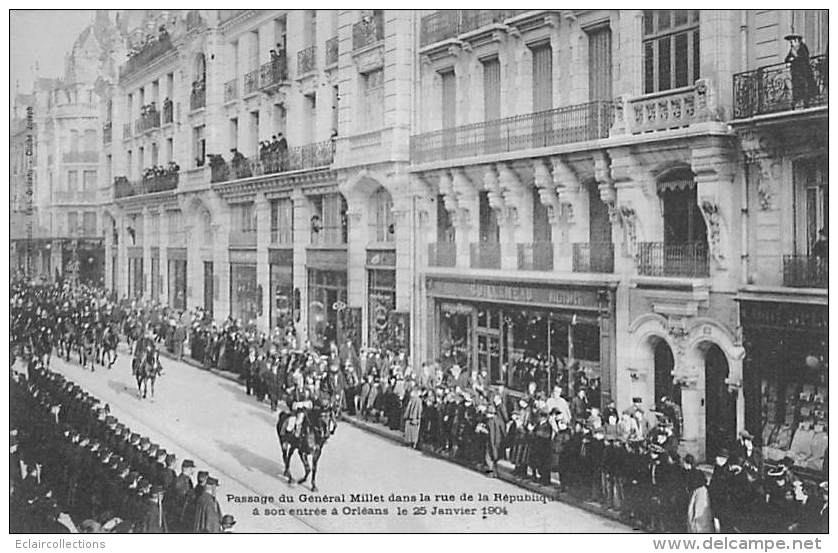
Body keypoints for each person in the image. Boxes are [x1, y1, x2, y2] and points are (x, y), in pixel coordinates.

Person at [785, 33, 818, 105]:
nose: (791, 44)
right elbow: (786, 59)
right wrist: (791, 58)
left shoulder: (802, 47)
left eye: (792, 42)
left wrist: (795, 56)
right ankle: (799, 101)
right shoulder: (792, 50)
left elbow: (804, 58)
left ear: (797, 40)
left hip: (804, 73)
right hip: (796, 74)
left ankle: (807, 101)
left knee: (806, 88)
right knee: (797, 89)